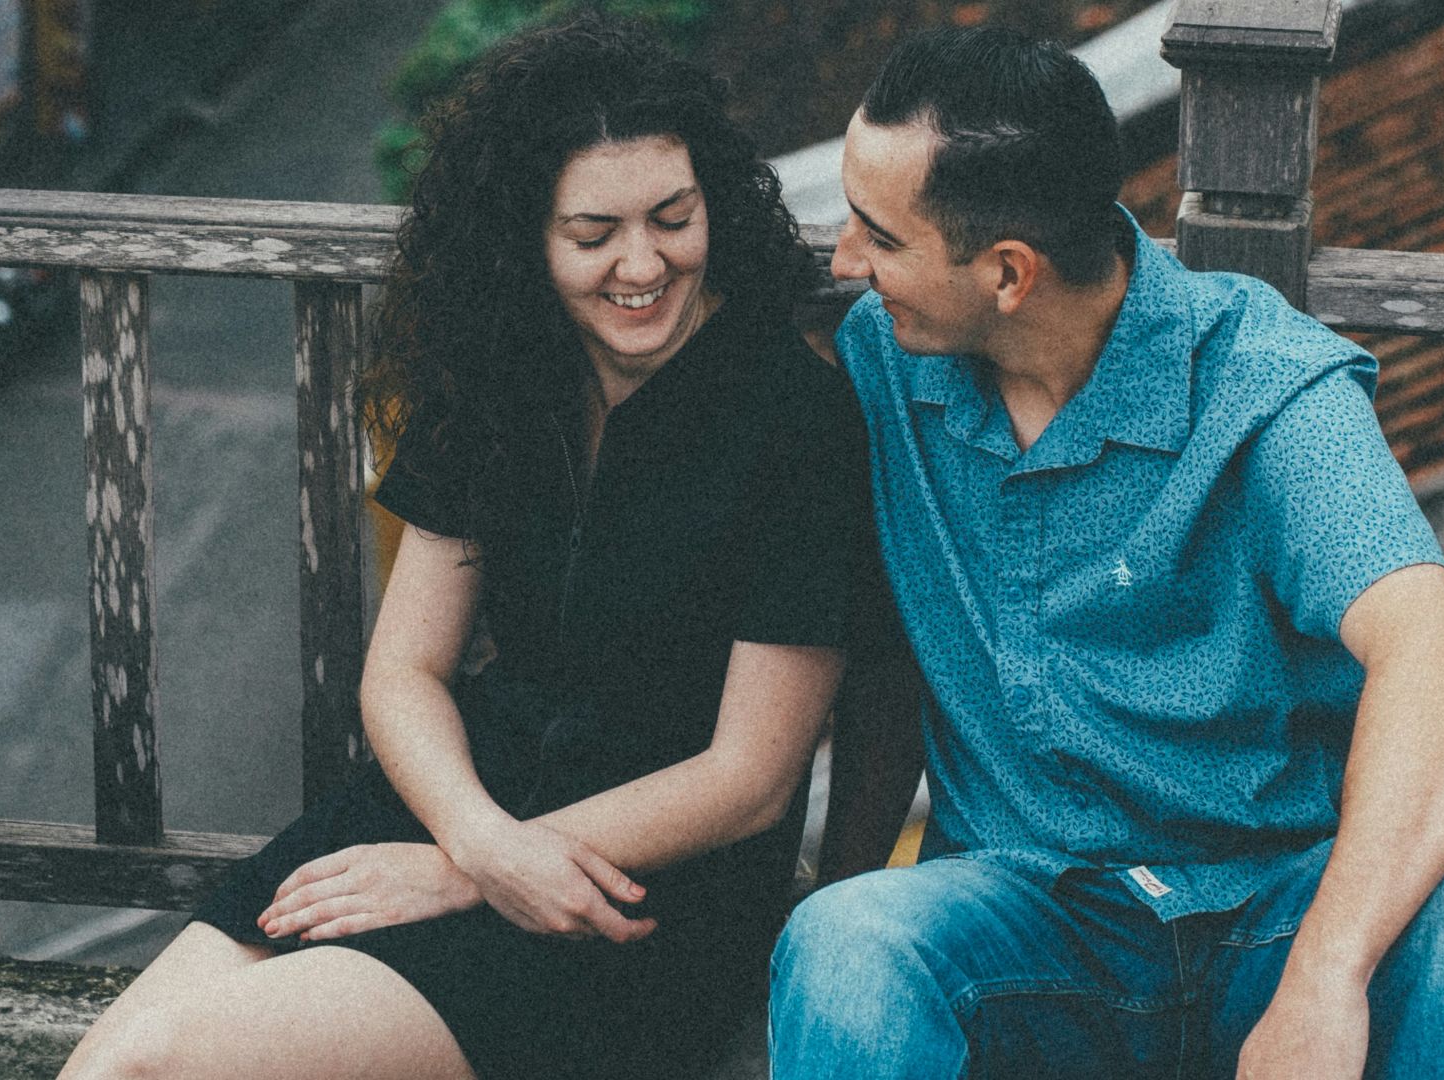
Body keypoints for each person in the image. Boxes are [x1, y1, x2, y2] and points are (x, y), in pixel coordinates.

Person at [61, 17, 877, 1080]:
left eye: (674, 219)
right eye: (595, 234)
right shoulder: (500, 371)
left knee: (172, 1064)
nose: (645, 263)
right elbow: (405, 669)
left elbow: (751, 778)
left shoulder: (795, 417)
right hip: (460, 802)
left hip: (643, 883)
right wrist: (478, 846)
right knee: (102, 1070)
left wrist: (464, 875)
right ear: (526, 239)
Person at [771, 26, 1444, 1080]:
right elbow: (878, 645)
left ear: (1007, 274)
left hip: (1266, 922)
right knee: (846, 941)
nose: (846, 263)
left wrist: (1322, 982)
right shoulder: (884, 367)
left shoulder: (1263, 387)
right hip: (1029, 937)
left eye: (878, 236)